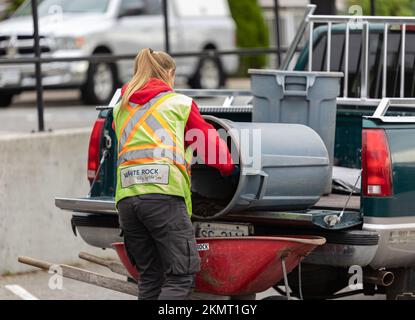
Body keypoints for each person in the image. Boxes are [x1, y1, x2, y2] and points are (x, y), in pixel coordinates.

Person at [113, 48, 237, 300]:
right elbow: (208, 144)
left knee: (150, 276)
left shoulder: (120, 108)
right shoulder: (178, 104)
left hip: (127, 200)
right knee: (181, 275)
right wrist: (229, 170)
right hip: (163, 199)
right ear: (169, 73)